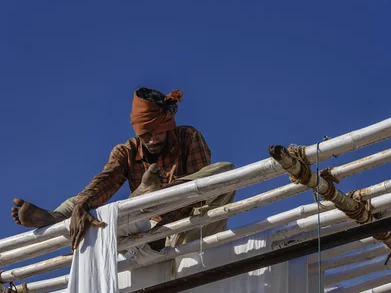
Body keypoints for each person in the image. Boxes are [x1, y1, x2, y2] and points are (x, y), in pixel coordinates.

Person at [11, 87, 235, 250]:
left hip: (189, 227)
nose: (153, 140)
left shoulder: (188, 137)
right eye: (146, 134)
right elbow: (105, 182)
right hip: (143, 224)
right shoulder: (126, 151)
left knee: (224, 171)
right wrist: (82, 205)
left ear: (169, 127)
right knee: (82, 200)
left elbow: (201, 197)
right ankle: (56, 216)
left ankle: (150, 198)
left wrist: (164, 195)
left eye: (158, 132)